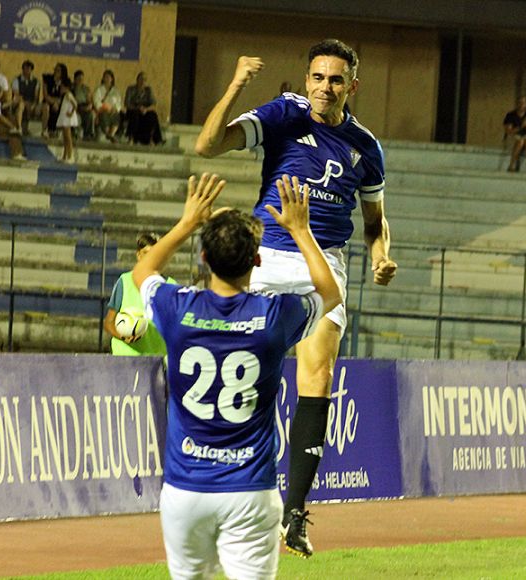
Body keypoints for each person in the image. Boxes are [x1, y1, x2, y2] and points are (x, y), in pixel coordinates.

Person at [193, 39, 397, 558]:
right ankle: (219, 489)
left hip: (321, 262)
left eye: (335, 79)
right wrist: (237, 84)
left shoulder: (365, 147)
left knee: (318, 376)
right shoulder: (283, 115)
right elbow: (207, 146)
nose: (324, 88)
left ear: (352, 84)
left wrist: (380, 255)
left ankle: (294, 513)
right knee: (239, 368)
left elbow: (374, 223)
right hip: (265, 256)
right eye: (317, 78)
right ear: (306, 80)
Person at [132, 173, 342, 579]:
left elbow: (144, 271)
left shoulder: (176, 308)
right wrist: (300, 230)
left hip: (185, 490)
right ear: (258, 260)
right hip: (249, 490)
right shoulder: (274, 317)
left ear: (204, 259)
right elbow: (329, 292)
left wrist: (187, 223)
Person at [104, 232, 176, 356]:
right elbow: (109, 322)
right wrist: (122, 337)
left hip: (156, 361)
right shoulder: (124, 281)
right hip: (125, 358)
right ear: (138, 255)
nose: (151, 258)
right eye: (146, 253)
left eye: (156, 254)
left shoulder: (170, 286)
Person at [124, 72, 163, 145]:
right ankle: (131, 138)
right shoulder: (131, 89)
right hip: (133, 109)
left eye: (144, 80)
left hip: (145, 110)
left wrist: (146, 109)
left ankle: (153, 139)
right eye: (141, 79)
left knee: (153, 115)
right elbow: (127, 104)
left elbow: (154, 104)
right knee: (134, 115)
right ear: (137, 80)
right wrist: (137, 108)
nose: (142, 81)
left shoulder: (148, 90)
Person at [503, 96, 526, 172]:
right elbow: (509, 131)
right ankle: (512, 165)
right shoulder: (510, 115)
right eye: (520, 103)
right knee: (520, 141)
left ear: (525, 104)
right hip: (513, 137)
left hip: (525, 137)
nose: (521, 105)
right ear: (517, 104)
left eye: (523, 103)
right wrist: (520, 126)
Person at [11, 60, 43, 137]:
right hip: (19, 102)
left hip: (31, 103)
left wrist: (33, 104)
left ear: (31, 70)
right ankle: (19, 127)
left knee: (42, 108)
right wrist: (25, 103)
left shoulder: (36, 81)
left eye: (29, 69)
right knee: (21, 106)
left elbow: (36, 96)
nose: (27, 71)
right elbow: (16, 95)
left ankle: (44, 130)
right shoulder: (16, 80)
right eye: (25, 68)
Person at [93, 69, 123, 142]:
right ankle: (107, 134)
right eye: (105, 77)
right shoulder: (99, 89)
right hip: (103, 110)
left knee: (116, 116)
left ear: (112, 79)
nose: (107, 79)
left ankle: (111, 134)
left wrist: (115, 109)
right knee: (104, 116)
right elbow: (96, 101)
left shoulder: (116, 91)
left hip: (113, 111)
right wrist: (105, 108)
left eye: (109, 77)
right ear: (103, 78)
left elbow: (119, 102)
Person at [42, 63, 69, 139]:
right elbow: (46, 95)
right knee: (46, 107)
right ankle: (45, 130)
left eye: (58, 71)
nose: (56, 72)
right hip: (48, 102)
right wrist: (54, 102)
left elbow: (64, 96)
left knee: (63, 108)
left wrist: (57, 102)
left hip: (59, 103)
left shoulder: (66, 82)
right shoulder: (47, 79)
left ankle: (59, 130)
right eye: (55, 69)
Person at [56, 78, 78, 162]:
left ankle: (70, 156)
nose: (60, 89)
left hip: (67, 118)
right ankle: (64, 156)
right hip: (64, 117)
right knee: (65, 137)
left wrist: (71, 113)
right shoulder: (65, 95)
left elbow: (75, 104)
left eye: (61, 87)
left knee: (68, 137)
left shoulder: (68, 94)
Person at [72, 70, 95, 140]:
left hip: (85, 106)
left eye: (82, 79)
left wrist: (89, 106)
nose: (80, 81)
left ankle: (88, 134)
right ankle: (75, 133)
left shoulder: (86, 89)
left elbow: (89, 100)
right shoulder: (72, 88)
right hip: (75, 106)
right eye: (78, 79)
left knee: (90, 114)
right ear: (75, 79)